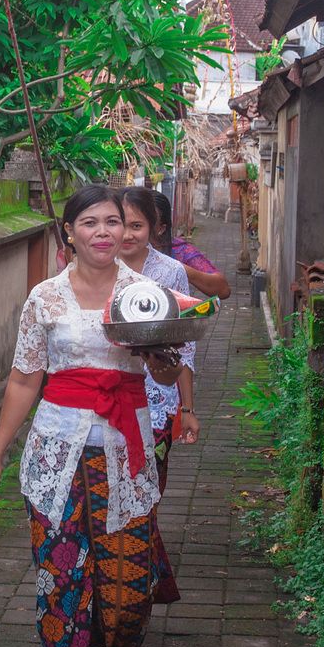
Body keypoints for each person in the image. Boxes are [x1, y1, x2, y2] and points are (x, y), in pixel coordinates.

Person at [0, 185, 181, 647]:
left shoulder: (145, 295)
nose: (101, 231)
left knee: (129, 591)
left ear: (127, 231)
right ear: (68, 233)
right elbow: (23, 380)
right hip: (55, 462)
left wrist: (161, 346)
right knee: (61, 590)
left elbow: (167, 368)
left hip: (126, 459)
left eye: (112, 221)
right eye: (88, 221)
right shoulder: (45, 297)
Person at [117, 187, 199, 495]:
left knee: (149, 488)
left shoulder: (171, 271)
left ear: (154, 228)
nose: (126, 234)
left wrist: (187, 410)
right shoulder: (97, 268)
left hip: (157, 398)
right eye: (119, 223)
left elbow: (185, 348)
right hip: (107, 396)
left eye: (136, 226)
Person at [152, 191, 231, 300]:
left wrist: (175, 268)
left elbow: (222, 289)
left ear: (161, 228)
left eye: (137, 225)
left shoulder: (178, 251)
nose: (128, 235)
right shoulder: (120, 250)